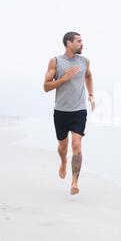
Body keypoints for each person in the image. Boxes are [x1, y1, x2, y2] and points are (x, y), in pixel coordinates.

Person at [43, 31, 95, 195]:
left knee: (76, 145)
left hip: (79, 110)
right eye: (79, 41)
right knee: (63, 146)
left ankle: (74, 182)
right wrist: (64, 79)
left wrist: (91, 94)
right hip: (61, 111)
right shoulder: (56, 61)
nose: (82, 44)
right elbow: (46, 87)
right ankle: (63, 161)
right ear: (68, 43)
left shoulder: (84, 61)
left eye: (82, 41)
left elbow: (88, 76)